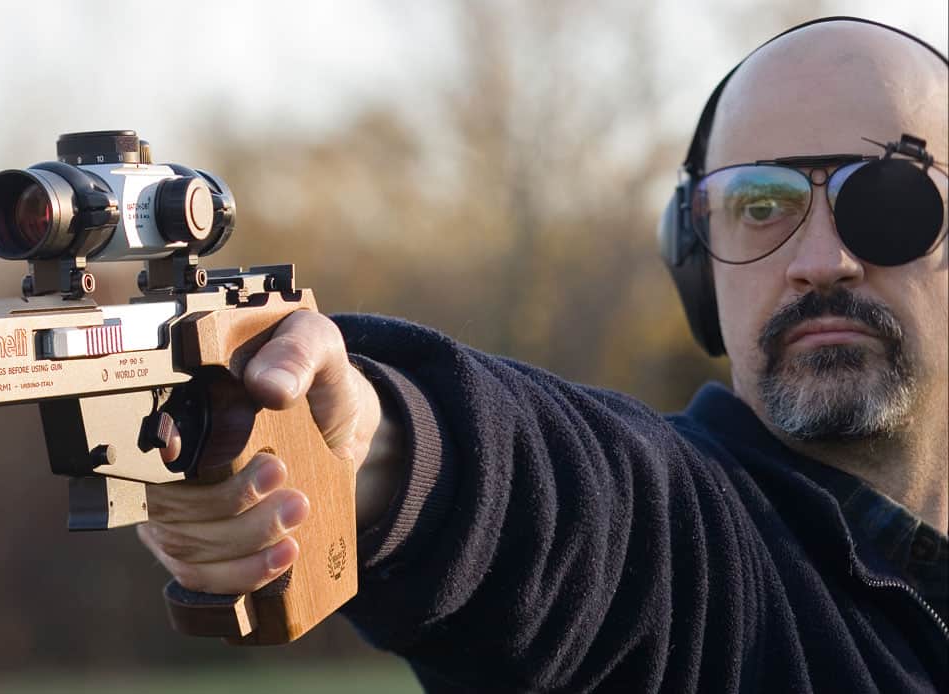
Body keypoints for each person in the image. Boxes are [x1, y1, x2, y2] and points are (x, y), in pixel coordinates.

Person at [136, 17, 948, 692]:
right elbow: (570, 503)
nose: (820, 258)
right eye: (759, 204)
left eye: (887, 203)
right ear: (693, 255)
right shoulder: (700, 570)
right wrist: (369, 445)